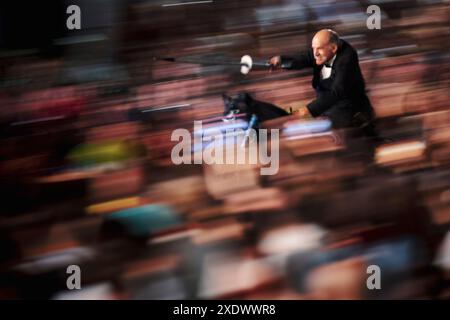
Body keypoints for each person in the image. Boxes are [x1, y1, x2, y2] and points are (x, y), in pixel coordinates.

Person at [269, 29, 376, 134]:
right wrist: (281, 60)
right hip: (327, 105)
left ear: (333, 48)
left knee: (307, 128)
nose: (315, 53)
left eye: (319, 49)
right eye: (313, 48)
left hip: (347, 110)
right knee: (289, 111)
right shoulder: (324, 51)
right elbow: (304, 58)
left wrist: (309, 110)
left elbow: (336, 93)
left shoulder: (346, 60)